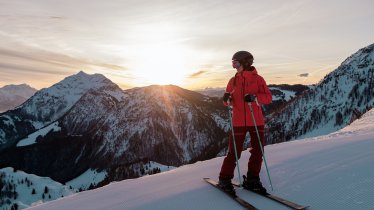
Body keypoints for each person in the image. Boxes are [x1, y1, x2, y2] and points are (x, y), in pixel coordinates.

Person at [219, 51, 272, 195]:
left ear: (246, 63)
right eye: (233, 63)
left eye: (236, 63)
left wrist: (255, 97)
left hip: (256, 121)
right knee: (234, 153)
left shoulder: (258, 80)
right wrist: (226, 99)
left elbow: (268, 97)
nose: (234, 66)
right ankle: (224, 179)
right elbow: (227, 101)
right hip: (238, 122)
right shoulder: (233, 80)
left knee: (258, 151)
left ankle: (252, 179)